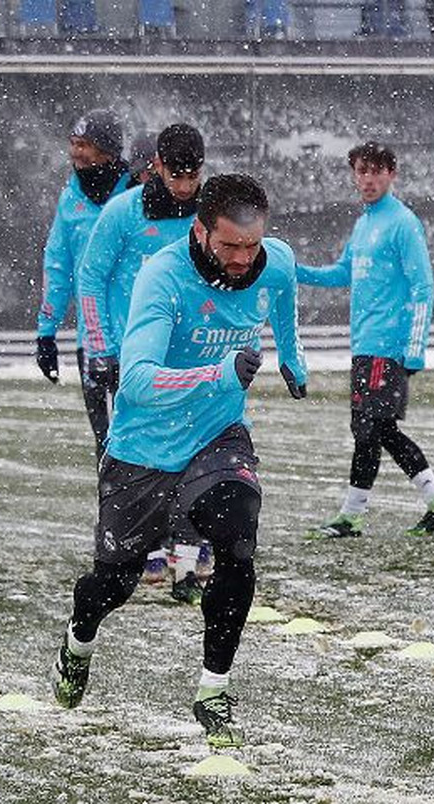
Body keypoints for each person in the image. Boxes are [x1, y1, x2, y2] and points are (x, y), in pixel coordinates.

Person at [50, 174, 309, 749]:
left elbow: (283, 299)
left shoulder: (276, 262)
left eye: (252, 245)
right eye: (229, 246)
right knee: (111, 585)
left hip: (216, 435)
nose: (244, 260)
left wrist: (292, 358)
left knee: (238, 538)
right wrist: (217, 373)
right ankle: (79, 639)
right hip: (142, 449)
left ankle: (213, 688)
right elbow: (136, 382)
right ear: (200, 229)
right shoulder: (163, 277)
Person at [298, 142, 434, 540]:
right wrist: (295, 270)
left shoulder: (402, 223)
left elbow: (423, 286)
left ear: (392, 174)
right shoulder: (364, 223)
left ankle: (352, 515)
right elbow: (342, 273)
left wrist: (415, 348)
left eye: (376, 172)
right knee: (378, 431)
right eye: (361, 172)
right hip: (364, 347)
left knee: (370, 430)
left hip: (388, 347)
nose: (367, 180)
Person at [77, 123, 208, 602]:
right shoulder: (121, 214)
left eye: (193, 177)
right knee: (131, 455)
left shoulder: (205, 213)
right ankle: (138, 544)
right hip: (130, 357)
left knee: (193, 452)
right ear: (156, 165)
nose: (184, 187)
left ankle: (187, 551)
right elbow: (90, 280)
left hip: (186, 356)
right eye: (177, 176)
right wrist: (102, 346)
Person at [35, 109, 132, 461]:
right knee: (104, 440)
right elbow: (58, 268)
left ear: (107, 149)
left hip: (141, 335)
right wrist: (46, 332)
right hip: (92, 339)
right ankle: (112, 514)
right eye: (73, 144)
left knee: (143, 436)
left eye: (84, 145)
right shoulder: (70, 200)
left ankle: (156, 512)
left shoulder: (138, 195)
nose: (76, 152)